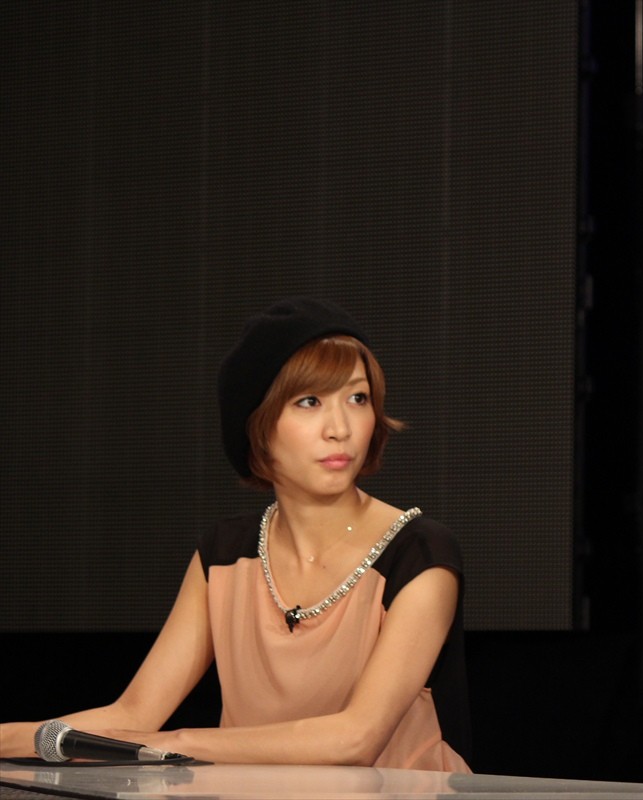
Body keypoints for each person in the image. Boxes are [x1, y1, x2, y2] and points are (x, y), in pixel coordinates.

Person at [0, 297, 470, 771]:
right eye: (309, 402)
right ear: (257, 423)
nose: (340, 428)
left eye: (358, 398)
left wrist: (175, 743)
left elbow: (355, 740)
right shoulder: (225, 554)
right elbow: (133, 714)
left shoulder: (421, 552)